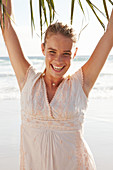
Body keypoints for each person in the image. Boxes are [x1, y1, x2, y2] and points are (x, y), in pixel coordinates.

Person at [1, 1, 113, 170]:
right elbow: (6, 24)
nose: (58, 60)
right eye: (52, 51)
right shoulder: (27, 80)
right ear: (43, 49)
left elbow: (110, 34)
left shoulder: (81, 84)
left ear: (74, 53)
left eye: (66, 54)